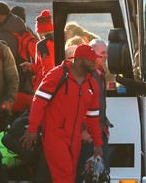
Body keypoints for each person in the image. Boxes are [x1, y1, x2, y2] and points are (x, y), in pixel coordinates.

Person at [21, 44, 103, 183]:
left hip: (75, 138)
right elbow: (38, 102)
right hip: (55, 135)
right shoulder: (57, 74)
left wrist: (98, 143)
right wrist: (32, 128)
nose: (94, 61)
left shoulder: (92, 85)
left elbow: (93, 117)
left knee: (70, 176)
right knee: (64, 176)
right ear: (78, 59)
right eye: (90, 59)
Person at [76, 39, 111, 183]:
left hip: (98, 129)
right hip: (89, 134)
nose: (106, 56)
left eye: (106, 53)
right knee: (90, 173)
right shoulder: (87, 75)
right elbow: (79, 106)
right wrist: (82, 130)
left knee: (102, 170)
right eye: (102, 53)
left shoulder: (101, 74)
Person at [20, 10, 55, 92]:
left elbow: (48, 68)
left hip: (45, 88)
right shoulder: (58, 41)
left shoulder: (42, 45)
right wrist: (31, 66)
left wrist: (45, 89)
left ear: (39, 30)